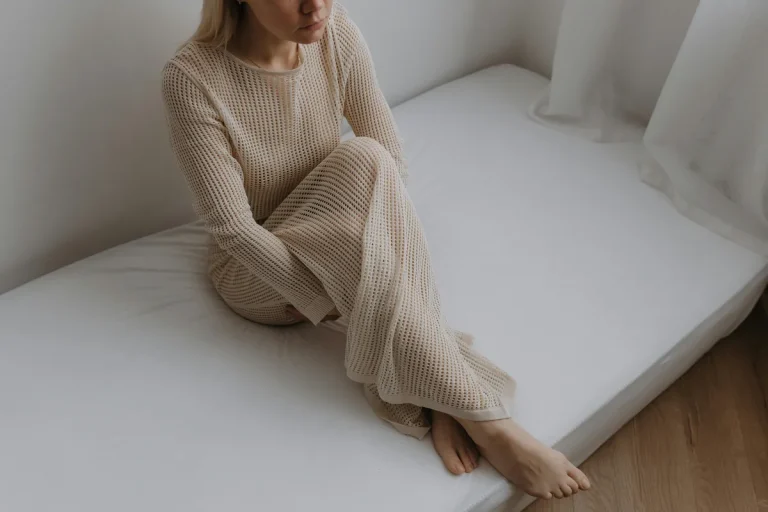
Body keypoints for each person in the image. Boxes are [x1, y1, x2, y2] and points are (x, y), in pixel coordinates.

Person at [162, 0, 590, 500]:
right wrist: (318, 295)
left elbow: (390, 160)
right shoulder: (191, 79)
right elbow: (233, 229)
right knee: (363, 179)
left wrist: (373, 233)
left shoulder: (334, 31)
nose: (316, 5)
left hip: (337, 236)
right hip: (261, 276)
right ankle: (487, 419)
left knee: (368, 158)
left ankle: (440, 401)